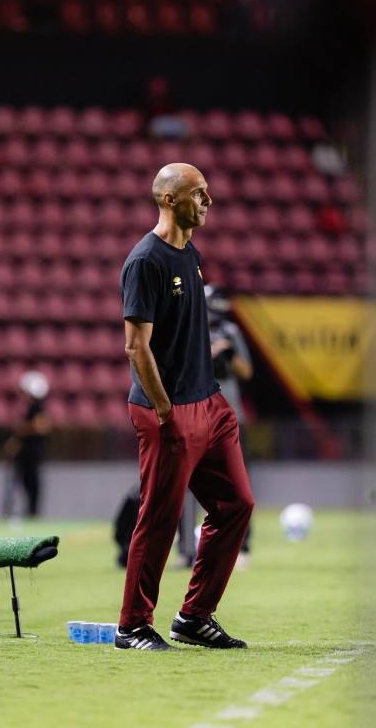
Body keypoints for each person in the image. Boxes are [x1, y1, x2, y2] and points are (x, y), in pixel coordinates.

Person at [114, 163, 255, 652]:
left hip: (210, 404)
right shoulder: (144, 261)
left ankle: (194, 616)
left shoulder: (190, 253)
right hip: (169, 410)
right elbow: (136, 347)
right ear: (170, 199)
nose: (208, 201)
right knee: (160, 518)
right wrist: (165, 410)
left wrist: (212, 402)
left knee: (237, 504)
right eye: (199, 193)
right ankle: (132, 626)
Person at [176, 283, 254, 569]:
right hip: (196, 417)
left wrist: (229, 353)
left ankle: (241, 547)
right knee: (185, 485)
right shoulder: (189, 331)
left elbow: (247, 371)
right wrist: (210, 352)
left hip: (231, 418)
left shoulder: (231, 332)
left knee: (239, 484)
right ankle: (186, 551)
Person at [2, 370, 51, 519]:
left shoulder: (37, 408)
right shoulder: (31, 408)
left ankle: (31, 513)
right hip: (26, 453)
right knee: (23, 482)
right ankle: (22, 512)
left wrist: (22, 428)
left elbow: (41, 426)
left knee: (30, 484)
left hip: (32, 453)